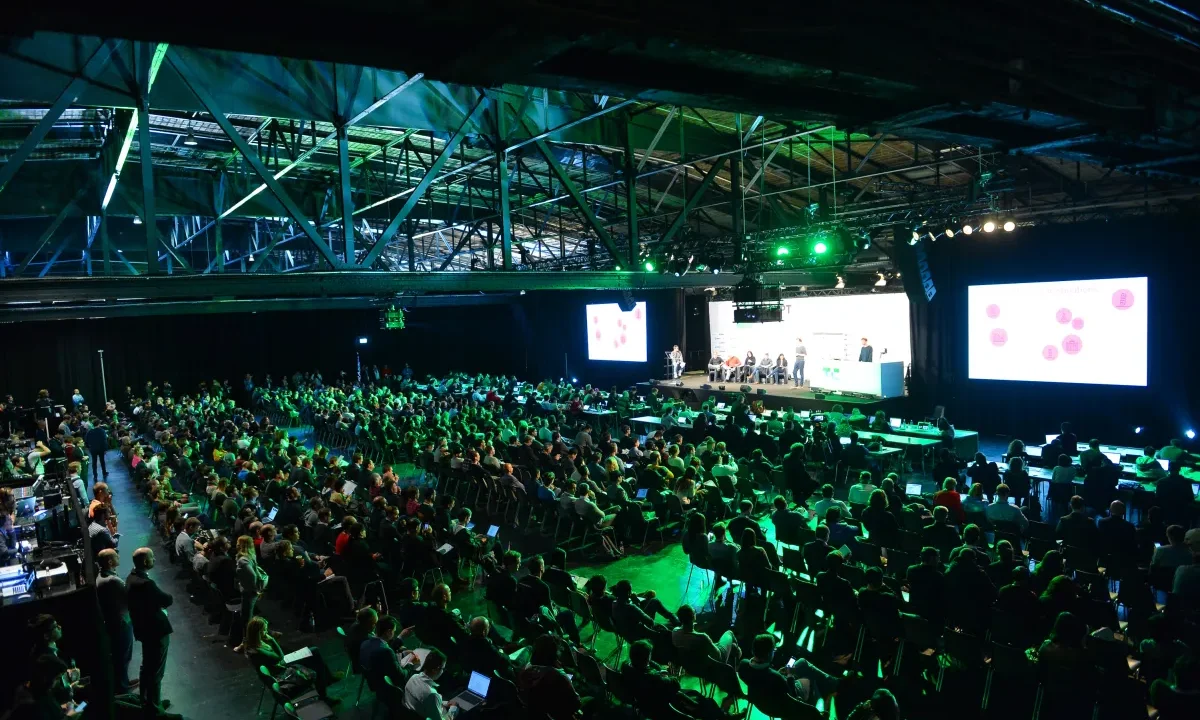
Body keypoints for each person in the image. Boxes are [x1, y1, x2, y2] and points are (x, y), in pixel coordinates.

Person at [126, 547, 173, 714]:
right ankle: (154, 710)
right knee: (156, 672)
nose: (154, 559)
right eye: (152, 557)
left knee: (147, 668)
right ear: (146, 561)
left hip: (144, 630)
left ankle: (148, 702)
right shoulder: (146, 584)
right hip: (156, 632)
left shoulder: (131, 577)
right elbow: (166, 599)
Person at [739, 632, 836, 711]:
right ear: (769, 654)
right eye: (773, 650)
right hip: (779, 706)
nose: (774, 652)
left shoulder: (743, 665)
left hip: (759, 701)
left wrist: (778, 673)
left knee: (802, 662)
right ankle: (826, 695)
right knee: (811, 679)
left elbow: (763, 678)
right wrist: (789, 675)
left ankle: (830, 685)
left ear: (753, 650)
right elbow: (792, 696)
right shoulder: (775, 677)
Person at [95, 548, 136, 695]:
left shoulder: (102, 577)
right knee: (123, 657)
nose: (119, 557)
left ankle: (124, 681)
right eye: (116, 556)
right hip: (121, 623)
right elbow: (129, 596)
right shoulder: (113, 580)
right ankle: (123, 689)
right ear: (110, 562)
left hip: (113, 622)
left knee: (121, 656)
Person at [403, 647, 451, 720]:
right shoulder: (432, 695)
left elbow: (424, 701)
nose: (443, 671)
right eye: (443, 668)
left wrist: (443, 703)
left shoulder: (413, 677)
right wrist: (454, 709)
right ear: (435, 670)